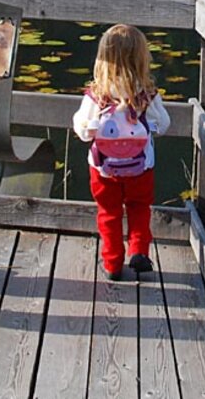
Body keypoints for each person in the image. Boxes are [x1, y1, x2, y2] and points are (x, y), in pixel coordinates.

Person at [72, 24, 170, 280]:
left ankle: (113, 263)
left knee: (109, 213)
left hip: (103, 169)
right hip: (141, 167)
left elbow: (83, 130)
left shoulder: (97, 95)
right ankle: (139, 250)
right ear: (142, 58)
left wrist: (93, 128)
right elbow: (164, 125)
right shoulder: (147, 94)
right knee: (139, 207)